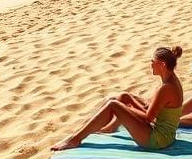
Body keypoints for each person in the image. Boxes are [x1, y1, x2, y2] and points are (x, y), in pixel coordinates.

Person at [50, 46, 184, 151]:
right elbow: (153, 110)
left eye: (152, 62)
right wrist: (129, 104)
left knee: (113, 105)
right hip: (164, 134)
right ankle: (110, 127)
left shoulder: (166, 88)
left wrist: (125, 109)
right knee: (124, 97)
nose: (151, 65)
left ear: (162, 65)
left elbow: (148, 118)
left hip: (158, 140)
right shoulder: (171, 80)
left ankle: (75, 140)